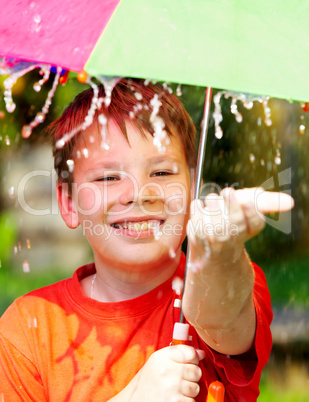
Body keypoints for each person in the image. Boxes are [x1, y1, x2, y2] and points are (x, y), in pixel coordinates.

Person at [0, 78, 275, 401]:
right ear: (69, 203)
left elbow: (219, 314)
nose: (139, 193)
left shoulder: (223, 282)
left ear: (192, 188)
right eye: (108, 177)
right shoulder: (28, 328)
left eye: (162, 173)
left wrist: (217, 252)